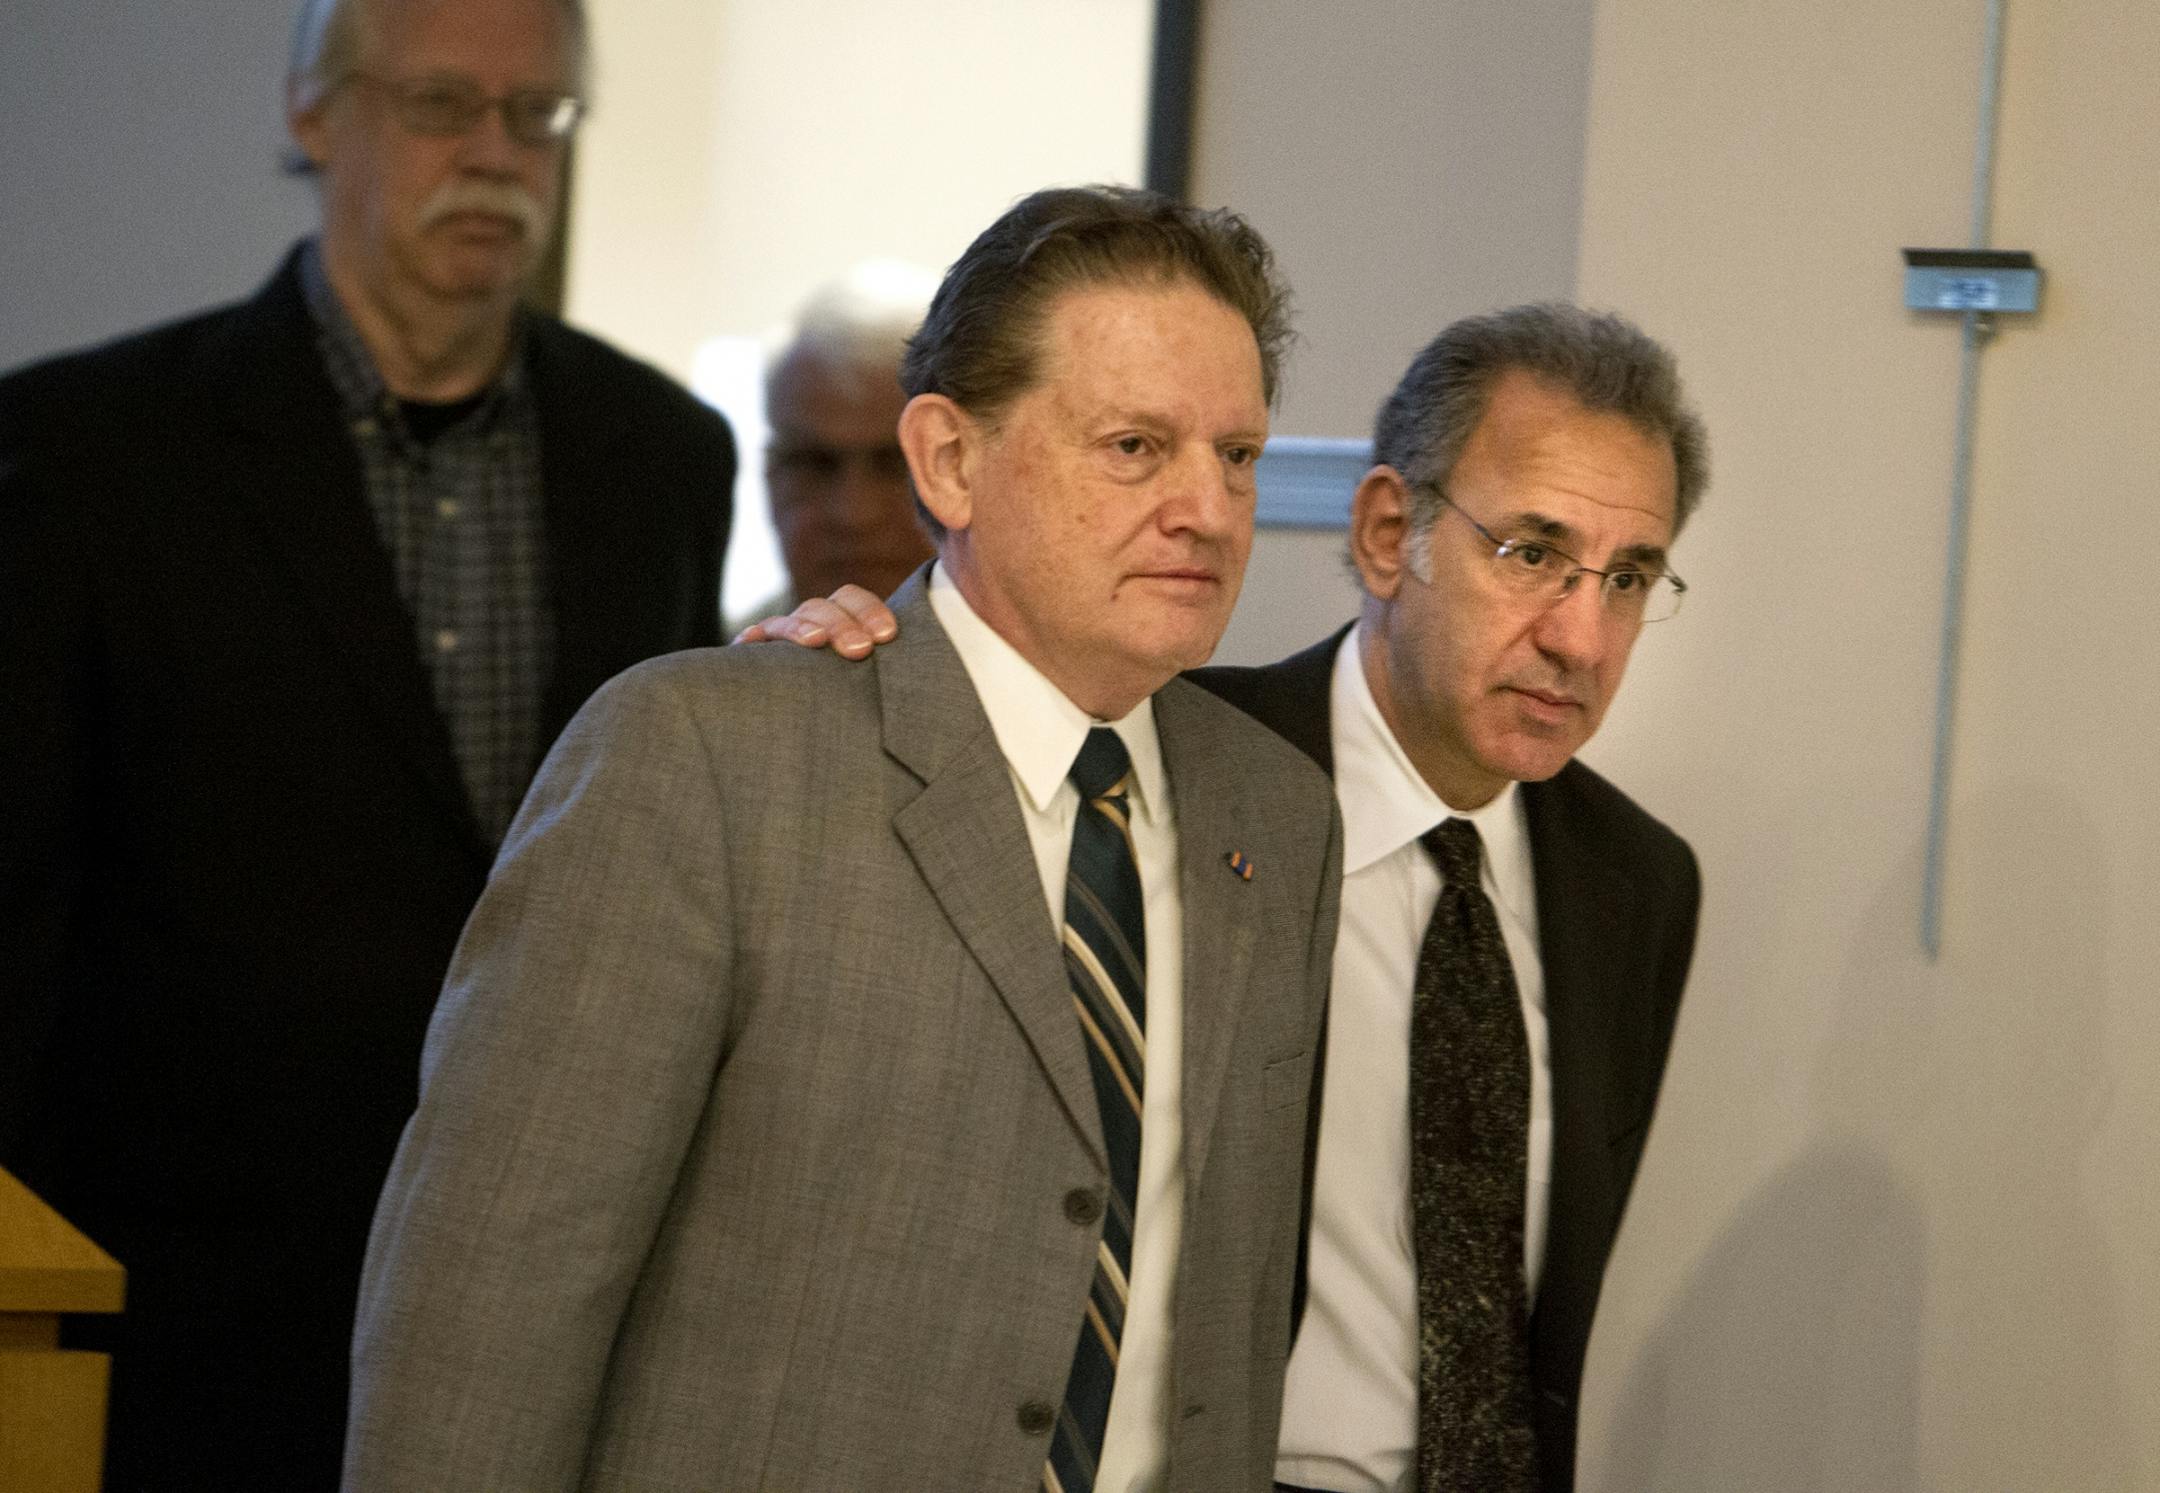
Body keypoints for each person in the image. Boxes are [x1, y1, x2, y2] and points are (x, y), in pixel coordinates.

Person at [343, 185, 1343, 1492]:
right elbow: (485, 1311)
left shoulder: (1279, 815)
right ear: (947, 459)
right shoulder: (703, 758)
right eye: (1136, 447)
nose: (1208, 510)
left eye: (1239, 456)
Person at [755, 302, 1706, 1492]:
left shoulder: (1637, 880)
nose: (1580, 634)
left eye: (1628, 577)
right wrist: (845, 663)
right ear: (1383, 531)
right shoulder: (1165, 769)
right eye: (1530, 553)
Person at [0, 0, 732, 1486]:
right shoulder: (85, 452)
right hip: (185, 1300)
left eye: (537, 117)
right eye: (443, 104)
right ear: (313, 114)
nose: (495, 155)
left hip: (554, 1279)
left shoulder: (660, 453)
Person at [757, 259, 939, 615]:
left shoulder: (1061, 665)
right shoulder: (713, 664)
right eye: (815, 464)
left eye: (897, 464)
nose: (855, 514)